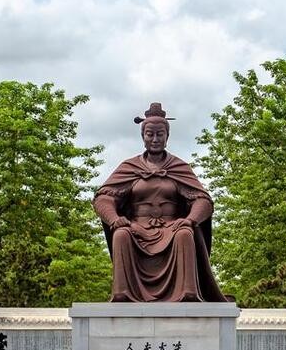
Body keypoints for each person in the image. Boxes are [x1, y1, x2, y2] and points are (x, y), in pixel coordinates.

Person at [93, 103, 231, 302]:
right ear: (143, 136)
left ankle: (187, 292)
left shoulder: (179, 167)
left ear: (167, 136)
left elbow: (203, 200)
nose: (155, 139)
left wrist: (190, 220)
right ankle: (123, 293)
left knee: (185, 234)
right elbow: (104, 197)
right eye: (150, 134)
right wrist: (114, 219)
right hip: (137, 227)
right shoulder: (129, 167)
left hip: (172, 227)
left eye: (160, 134)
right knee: (121, 234)